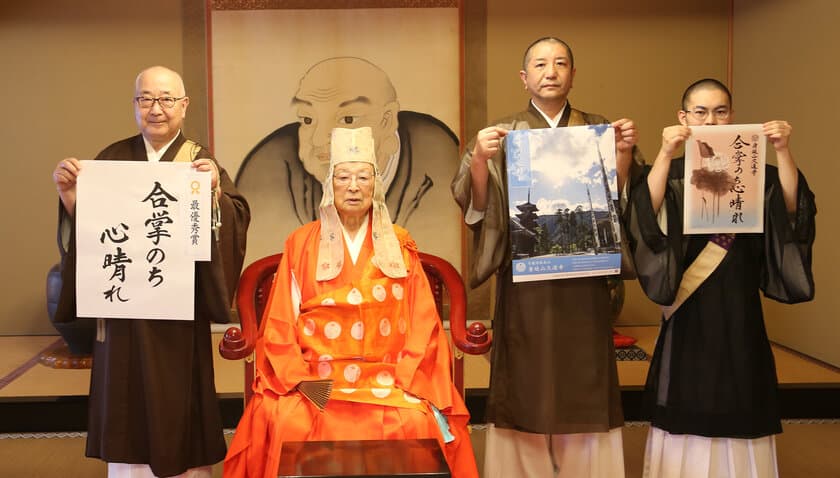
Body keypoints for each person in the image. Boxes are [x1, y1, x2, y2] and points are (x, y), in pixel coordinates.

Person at [223, 127, 478, 478]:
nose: (354, 186)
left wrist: (406, 374)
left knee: (414, 418)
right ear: (330, 183)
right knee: (289, 418)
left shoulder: (400, 243)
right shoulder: (301, 242)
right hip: (316, 374)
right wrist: (298, 378)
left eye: (363, 177)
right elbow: (281, 320)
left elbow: (422, 321)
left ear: (376, 185)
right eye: (344, 177)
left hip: (389, 373)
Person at [451, 37, 644, 477]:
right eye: (540, 64)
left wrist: (624, 156)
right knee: (526, 376)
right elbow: (477, 207)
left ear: (574, 74)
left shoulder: (597, 128)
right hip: (527, 281)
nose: (551, 71)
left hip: (585, 278)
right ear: (524, 78)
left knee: (585, 374)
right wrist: (480, 159)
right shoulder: (503, 133)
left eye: (560, 63)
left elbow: (619, 203)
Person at [51, 65, 251, 478]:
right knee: (126, 400)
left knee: (178, 397)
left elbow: (235, 217)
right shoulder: (111, 159)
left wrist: (214, 193)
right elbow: (93, 233)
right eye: (145, 99)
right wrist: (71, 196)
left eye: (165, 99)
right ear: (135, 105)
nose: (155, 109)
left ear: (184, 105)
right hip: (124, 310)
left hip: (179, 312)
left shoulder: (200, 162)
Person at [622, 78, 816, 477]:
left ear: (732, 114)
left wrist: (783, 150)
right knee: (686, 386)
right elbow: (644, 212)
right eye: (700, 112)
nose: (711, 119)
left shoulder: (756, 172)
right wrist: (665, 150)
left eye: (720, 111)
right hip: (689, 305)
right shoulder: (674, 172)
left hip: (738, 299)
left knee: (742, 380)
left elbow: (795, 212)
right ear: (684, 117)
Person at [234, 56, 462, 263]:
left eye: (348, 118)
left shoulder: (401, 240)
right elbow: (283, 303)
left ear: (387, 120)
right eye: (307, 119)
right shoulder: (297, 236)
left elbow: (416, 303)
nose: (319, 138)